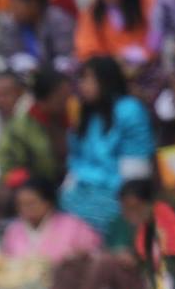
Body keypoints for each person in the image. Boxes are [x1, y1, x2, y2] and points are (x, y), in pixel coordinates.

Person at [61, 57, 153, 239]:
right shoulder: (84, 113)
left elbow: (135, 169)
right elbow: (76, 160)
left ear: (106, 80)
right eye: (81, 79)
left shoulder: (129, 110)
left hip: (118, 190)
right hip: (82, 188)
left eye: (88, 79)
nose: (83, 85)